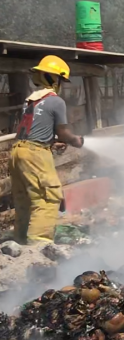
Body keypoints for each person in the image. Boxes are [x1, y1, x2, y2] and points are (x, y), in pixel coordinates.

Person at [10, 55, 84, 244]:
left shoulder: (31, 100)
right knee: (47, 198)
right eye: (61, 79)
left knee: (25, 199)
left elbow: (33, 129)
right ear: (54, 78)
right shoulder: (56, 101)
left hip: (18, 151)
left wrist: (50, 142)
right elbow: (63, 131)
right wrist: (75, 140)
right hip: (35, 154)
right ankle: (38, 245)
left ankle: (19, 242)